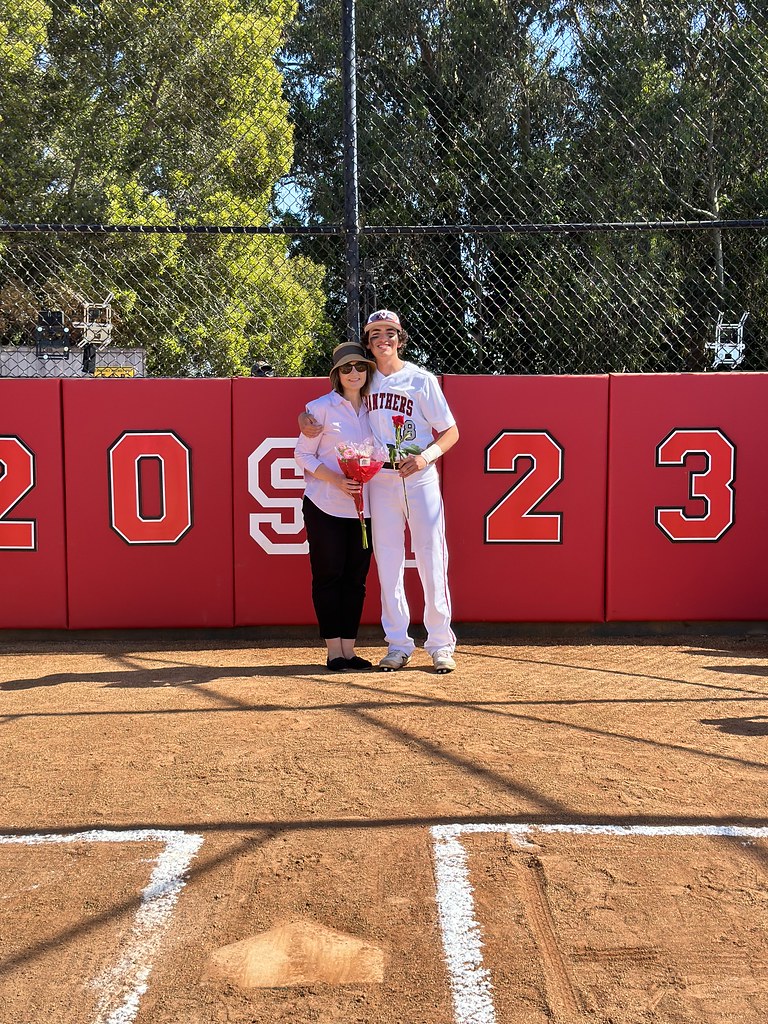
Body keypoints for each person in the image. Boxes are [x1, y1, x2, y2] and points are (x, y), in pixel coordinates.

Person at [299, 310, 459, 673]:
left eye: (390, 332)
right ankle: (398, 644)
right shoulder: (365, 380)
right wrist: (302, 418)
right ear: (368, 342)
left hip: (419, 477)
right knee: (388, 564)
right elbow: (330, 405)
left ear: (400, 338)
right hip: (380, 482)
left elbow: (450, 431)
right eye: (375, 334)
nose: (383, 339)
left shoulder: (421, 380)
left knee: (432, 559)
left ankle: (440, 644)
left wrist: (427, 457)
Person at [294, 342, 378, 671]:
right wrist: (336, 480)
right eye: (346, 369)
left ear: (367, 371)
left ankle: (350, 648)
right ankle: (333, 652)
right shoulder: (319, 409)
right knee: (328, 576)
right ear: (336, 375)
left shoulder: (378, 409)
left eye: (359, 367)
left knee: (356, 579)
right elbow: (303, 454)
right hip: (325, 504)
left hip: (366, 508)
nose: (354, 373)